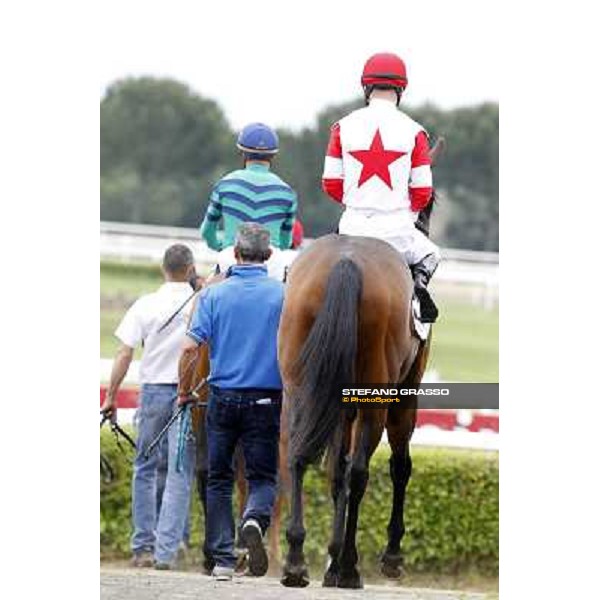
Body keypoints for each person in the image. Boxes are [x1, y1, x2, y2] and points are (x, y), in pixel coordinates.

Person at [178, 223, 284, 581]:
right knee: (263, 477)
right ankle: (253, 518)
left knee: (219, 478)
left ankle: (223, 560)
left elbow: (190, 349)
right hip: (266, 399)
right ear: (269, 257)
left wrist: (183, 392)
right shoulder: (283, 295)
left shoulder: (211, 295)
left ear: (235, 254)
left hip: (221, 398)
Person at [321, 52, 441, 322]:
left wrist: (358, 201)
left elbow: (330, 184)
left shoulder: (341, 127)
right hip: (396, 232)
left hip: (351, 226)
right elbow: (423, 192)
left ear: (366, 87)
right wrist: (403, 213)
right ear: (401, 88)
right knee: (433, 254)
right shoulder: (416, 131)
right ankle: (419, 296)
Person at [101, 244, 199, 569]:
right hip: (188, 396)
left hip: (154, 391)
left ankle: (142, 547)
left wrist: (111, 396)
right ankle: (167, 552)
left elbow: (124, 353)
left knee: (144, 468)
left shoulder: (146, 304)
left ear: (163, 269)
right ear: (190, 269)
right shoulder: (201, 302)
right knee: (179, 470)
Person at [199, 122, 298, 280]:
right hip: (272, 264)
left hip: (231, 258)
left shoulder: (225, 184)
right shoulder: (287, 192)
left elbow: (207, 231)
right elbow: (286, 242)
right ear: (273, 155)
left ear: (242, 153)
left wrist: (221, 246)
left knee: (204, 300)